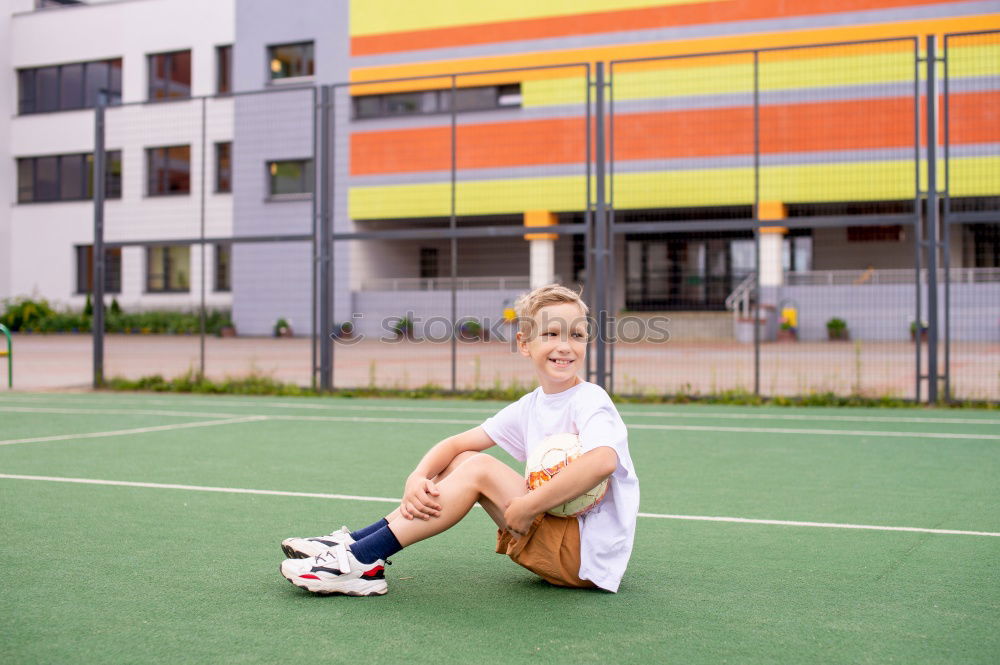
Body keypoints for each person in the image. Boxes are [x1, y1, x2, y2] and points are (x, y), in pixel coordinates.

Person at [279, 284, 640, 595]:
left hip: (584, 557)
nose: (565, 346)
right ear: (524, 344)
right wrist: (416, 478)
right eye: (551, 334)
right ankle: (356, 543)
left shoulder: (589, 398)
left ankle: (358, 562)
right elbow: (454, 445)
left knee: (479, 468)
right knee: (465, 459)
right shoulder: (532, 404)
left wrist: (529, 506)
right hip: (554, 538)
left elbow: (603, 460)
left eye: (576, 335)